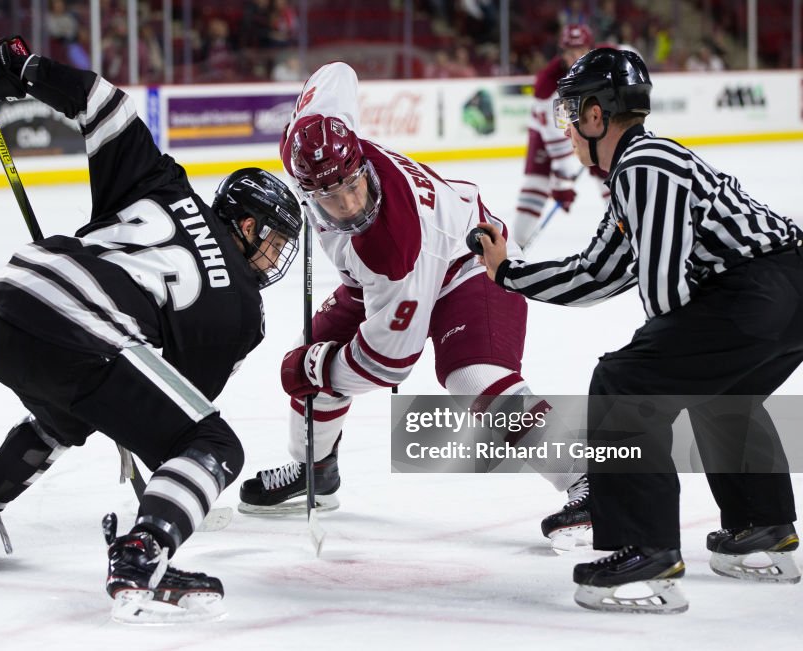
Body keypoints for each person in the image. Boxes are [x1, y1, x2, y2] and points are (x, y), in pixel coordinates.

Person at [0, 35, 303, 624]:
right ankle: (144, 549)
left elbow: (103, 100)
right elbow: (176, 422)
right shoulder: (245, 312)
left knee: (64, 414)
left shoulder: (164, 183)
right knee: (216, 447)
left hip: (14, 305)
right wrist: (163, 492)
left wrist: (17, 69)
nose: (274, 258)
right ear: (245, 224)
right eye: (272, 240)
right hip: (90, 321)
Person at [477, 47, 801, 613]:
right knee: (722, 391)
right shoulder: (642, 169)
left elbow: (663, 291)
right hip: (785, 290)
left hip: (762, 290)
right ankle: (762, 532)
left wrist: (654, 373)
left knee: (624, 383)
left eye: (572, 113)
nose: (569, 130)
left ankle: (645, 552)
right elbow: (598, 272)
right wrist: (509, 273)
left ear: (598, 115)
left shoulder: (644, 165)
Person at [237, 61, 591, 552]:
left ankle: (588, 479)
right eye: (331, 198)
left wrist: (319, 369)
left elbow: (388, 363)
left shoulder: (392, 249)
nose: (350, 207)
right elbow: (338, 72)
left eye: (354, 187)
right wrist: (316, 360)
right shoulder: (314, 139)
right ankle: (314, 468)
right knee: (311, 349)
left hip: (469, 262)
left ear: (361, 162)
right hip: (377, 278)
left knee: (473, 377)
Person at [513, 24, 606, 250]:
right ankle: (515, 246)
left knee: (610, 173)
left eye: (580, 50)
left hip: (590, 123)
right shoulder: (548, 87)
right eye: (568, 52)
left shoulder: (607, 62)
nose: (574, 58)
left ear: (590, 49)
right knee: (536, 183)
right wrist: (562, 181)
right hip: (546, 131)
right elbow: (559, 139)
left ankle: (628, 228)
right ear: (560, 53)